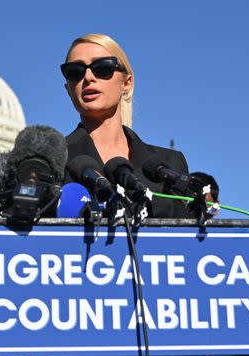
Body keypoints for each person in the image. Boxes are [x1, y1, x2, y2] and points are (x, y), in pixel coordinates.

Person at [61, 33, 191, 219]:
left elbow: (186, 241)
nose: (88, 77)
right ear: (68, 90)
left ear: (127, 83)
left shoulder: (170, 164)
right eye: (75, 71)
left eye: (102, 68)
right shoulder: (52, 162)